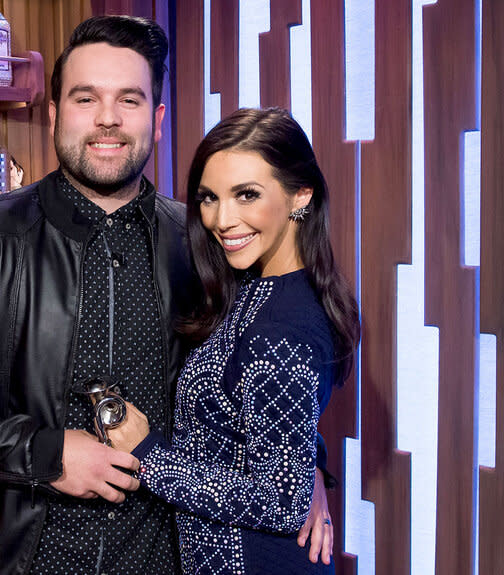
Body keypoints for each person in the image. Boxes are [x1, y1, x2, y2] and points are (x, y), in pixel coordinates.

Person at [0, 16, 334, 575]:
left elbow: (265, 375)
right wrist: (45, 454)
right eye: (85, 97)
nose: (108, 119)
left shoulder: (205, 241)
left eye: (130, 100)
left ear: (157, 119)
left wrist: (309, 469)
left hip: (170, 553)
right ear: (54, 115)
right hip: (22, 555)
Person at [109, 107, 360, 574]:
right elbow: (271, 423)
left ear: (300, 196)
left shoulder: (283, 326)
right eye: (209, 198)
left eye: (247, 195)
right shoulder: (258, 287)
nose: (223, 219)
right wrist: (308, 464)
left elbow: (280, 504)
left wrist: (147, 455)